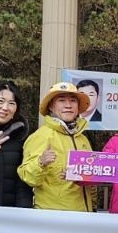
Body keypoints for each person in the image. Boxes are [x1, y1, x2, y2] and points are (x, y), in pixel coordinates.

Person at [18, 81, 96, 211]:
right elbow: (28, 177)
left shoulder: (83, 139)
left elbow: (91, 180)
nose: (68, 105)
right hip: (53, 216)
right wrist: (40, 162)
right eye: (61, 100)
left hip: (83, 214)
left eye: (73, 100)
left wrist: (93, 206)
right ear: (51, 106)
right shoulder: (41, 136)